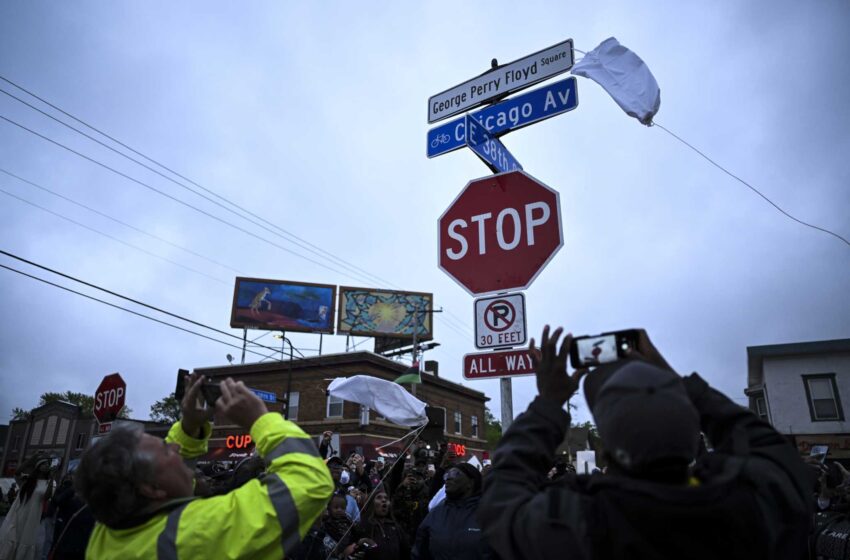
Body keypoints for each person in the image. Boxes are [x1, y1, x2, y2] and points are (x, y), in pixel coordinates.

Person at [479, 326, 813, 559]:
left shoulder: (579, 523)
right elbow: (768, 446)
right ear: (693, 436)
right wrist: (675, 380)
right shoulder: (761, 505)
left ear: (607, 449)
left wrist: (549, 404)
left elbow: (502, 492)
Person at [74, 373, 333, 559]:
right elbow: (308, 482)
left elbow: (166, 474)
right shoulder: (194, 534)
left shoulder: (109, 529)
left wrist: (188, 427)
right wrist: (260, 420)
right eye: (166, 449)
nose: (175, 447)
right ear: (151, 489)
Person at [412, 464, 490, 560]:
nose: (448, 478)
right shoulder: (435, 514)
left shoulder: (489, 515)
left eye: (455, 474)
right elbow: (419, 553)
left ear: (471, 482)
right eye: (447, 475)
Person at [0, 453, 55, 560]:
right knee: (12, 536)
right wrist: (32, 458)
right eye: (43, 463)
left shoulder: (49, 483)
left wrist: (52, 478)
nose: (46, 466)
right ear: (38, 466)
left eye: (48, 464)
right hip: (19, 513)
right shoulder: (27, 480)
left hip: (32, 517)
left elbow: (47, 496)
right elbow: (17, 472)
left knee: (25, 539)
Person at [352, 487, 410, 560]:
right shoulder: (364, 525)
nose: (384, 500)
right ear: (371, 503)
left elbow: (406, 551)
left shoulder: (396, 527)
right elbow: (356, 548)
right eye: (379, 497)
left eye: (386, 498)